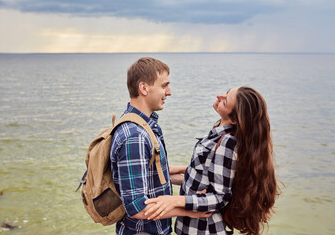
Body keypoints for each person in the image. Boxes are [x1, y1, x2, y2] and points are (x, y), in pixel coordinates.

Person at [145, 86, 280, 235]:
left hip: (205, 230)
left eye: (225, 101)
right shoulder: (217, 132)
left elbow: (219, 197)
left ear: (234, 119)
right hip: (192, 228)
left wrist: (174, 201)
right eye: (226, 92)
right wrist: (173, 170)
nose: (219, 96)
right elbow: (202, 178)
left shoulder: (228, 142)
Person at [110, 57, 210, 235]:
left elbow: (152, 172)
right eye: (164, 86)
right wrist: (189, 210)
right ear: (144, 88)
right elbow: (137, 207)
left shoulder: (146, 125)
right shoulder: (135, 136)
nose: (169, 92)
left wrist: (192, 175)